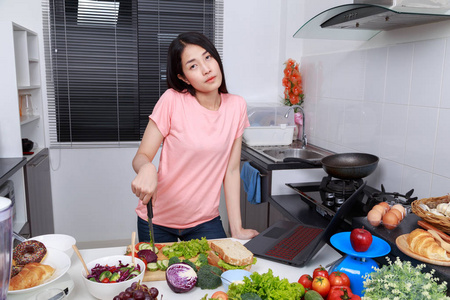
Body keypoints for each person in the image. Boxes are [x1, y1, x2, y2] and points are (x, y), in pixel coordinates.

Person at [131, 32, 259, 243]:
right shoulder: (171, 100)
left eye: (207, 57)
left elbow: (232, 170)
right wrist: (147, 168)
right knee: (161, 277)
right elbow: (141, 156)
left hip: (206, 221)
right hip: (158, 220)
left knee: (220, 276)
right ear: (183, 77)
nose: (206, 69)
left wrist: (237, 229)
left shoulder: (236, 106)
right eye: (193, 66)